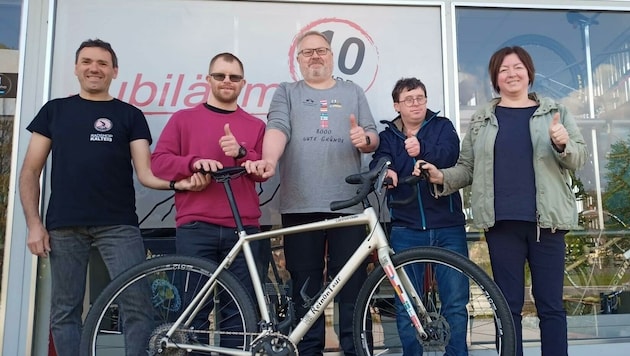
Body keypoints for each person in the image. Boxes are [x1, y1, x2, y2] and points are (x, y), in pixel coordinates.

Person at [18, 38, 205, 356]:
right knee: (65, 312)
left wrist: (180, 185)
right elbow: (29, 172)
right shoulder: (54, 112)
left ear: (114, 71)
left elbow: (146, 174)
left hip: (118, 225)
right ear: (76, 68)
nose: (94, 68)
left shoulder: (129, 115)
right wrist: (34, 225)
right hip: (63, 226)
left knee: (137, 306)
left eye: (103, 63)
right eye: (87, 61)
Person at [414, 46, 588, 356]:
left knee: (550, 305)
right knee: (507, 307)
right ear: (495, 77)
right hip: (501, 223)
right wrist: (442, 177)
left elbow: (578, 158)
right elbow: (467, 167)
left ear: (529, 73)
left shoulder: (554, 111)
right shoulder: (483, 118)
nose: (511, 73)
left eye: (518, 67)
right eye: (504, 69)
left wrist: (562, 143)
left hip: (546, 224)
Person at [245, 30, 379, 355]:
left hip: (348, 205)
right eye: (307, 52)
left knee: (353, 292)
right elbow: (278, 127)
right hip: (300, 203)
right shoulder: (287, 91)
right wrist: (270, 160)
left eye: (321, 50)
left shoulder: (353, 91)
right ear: (298, 60)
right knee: (305, 291)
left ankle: (357, 350)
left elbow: (373, 136)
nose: (315, 56)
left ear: (332, 56)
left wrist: (366, 140)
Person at [151, 52, 268, 352]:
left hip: (244, 229)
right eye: (220, 75)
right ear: (208, 79)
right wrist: (193, 164)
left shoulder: (255, 125)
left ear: (243, 83)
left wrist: (242, 153)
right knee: (193, 315)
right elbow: (159, 163)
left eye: (234, 77)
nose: (227, 81)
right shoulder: (183, 119)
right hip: (195, 227)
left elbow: (263, 171)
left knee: (241, 315)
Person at [370, 77, 469, 355]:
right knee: (407, 304)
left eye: (420, 98)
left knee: (455, 302)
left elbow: (451, 154)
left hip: (448, 227)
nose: (416, 104)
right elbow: (380, 158)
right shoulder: (389, 136)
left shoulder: (442, 126)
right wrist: (385, 170)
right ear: (396, 105)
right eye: (409, 99)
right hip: (406, 227)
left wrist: (422, 150)